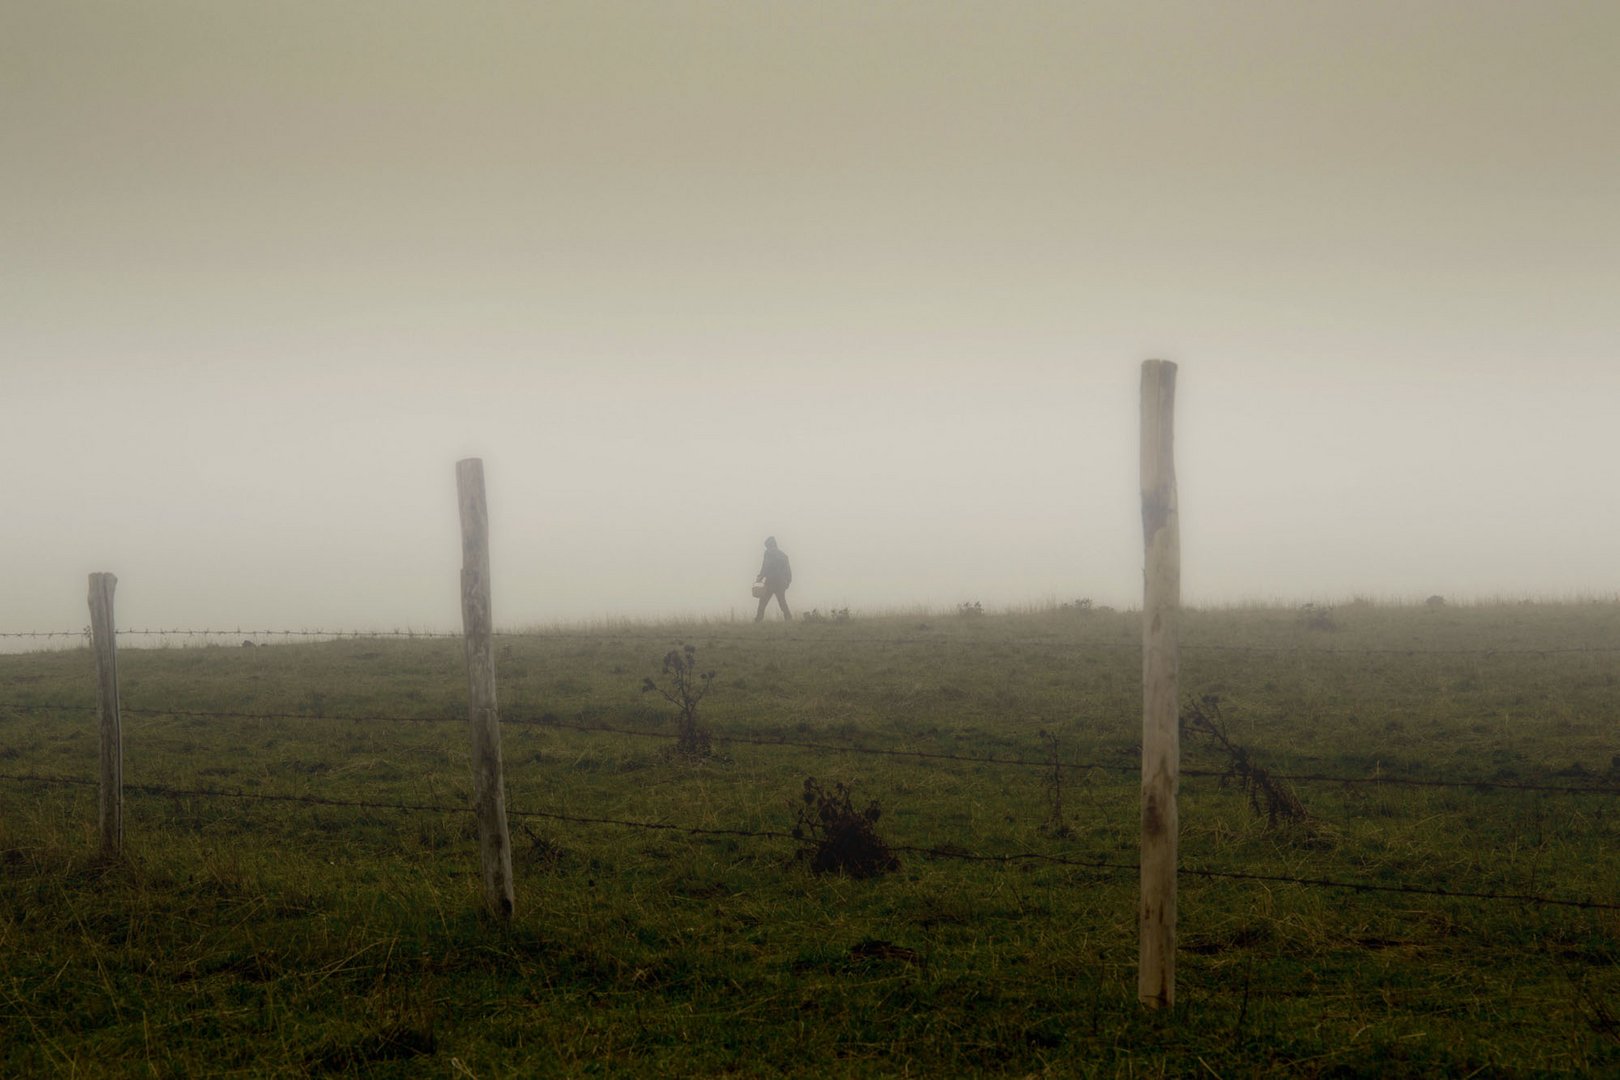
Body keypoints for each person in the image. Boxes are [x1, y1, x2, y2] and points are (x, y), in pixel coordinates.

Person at [754, 536, 792, 621]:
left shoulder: (769, 554)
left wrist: (760, 576)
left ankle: (758, 620)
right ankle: (789, 619)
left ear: (771, 545)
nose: (767, 548)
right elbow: (788, 571)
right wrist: (788, 582)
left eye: (768, 546)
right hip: (777, 583)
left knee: (764, 602)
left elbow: (765, 567)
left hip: (773, 583)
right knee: (781, 603)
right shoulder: (782, 555)